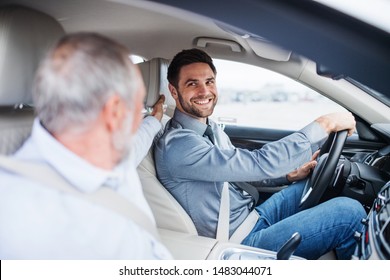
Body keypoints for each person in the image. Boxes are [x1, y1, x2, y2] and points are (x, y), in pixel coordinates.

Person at [154, 48, 366, 260]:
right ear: (174, 91)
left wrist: (288, 176)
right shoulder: (179, 146)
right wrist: (324, 124)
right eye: (192, 84)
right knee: (349, 212)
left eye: (209, 82)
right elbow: (257, 163)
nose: (204, 91)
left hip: (252, 216)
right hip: (237, 240)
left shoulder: (210, 129)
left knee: (327, 187)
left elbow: (241, 171)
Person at [0, 32, 171, 259]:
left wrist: (154, 119)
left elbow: (136, 143)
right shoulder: (22, 226)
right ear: (115, 112)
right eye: (138, 107)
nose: (138, 118)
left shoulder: (110, 156)